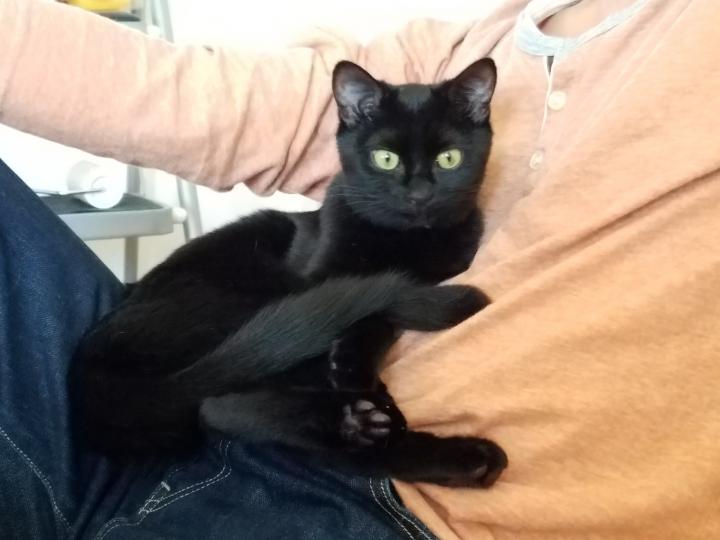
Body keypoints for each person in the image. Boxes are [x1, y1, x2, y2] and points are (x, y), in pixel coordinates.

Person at [1, 0, 719, 538]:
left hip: (371, 498)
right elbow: (225, 101)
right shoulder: (480, 36)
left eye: (446, 160)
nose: (420, 187)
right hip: (148, 412)